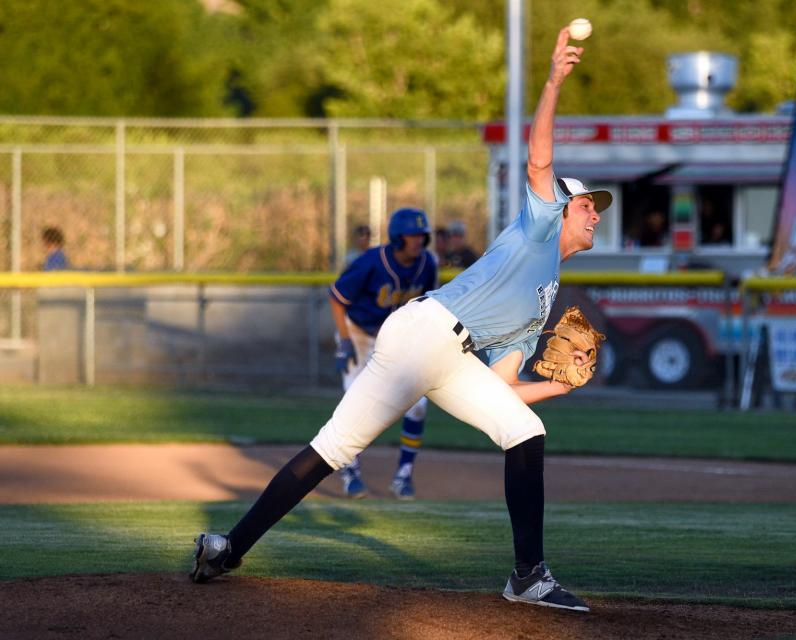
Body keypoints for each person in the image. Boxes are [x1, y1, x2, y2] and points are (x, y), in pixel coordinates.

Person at [190, 25, 607, 612]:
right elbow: (539, 158)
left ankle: (527, 577)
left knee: (524, 431)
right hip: (424, 333)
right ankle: (228, 547)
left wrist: (557, 386)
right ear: (562, 208)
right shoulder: (540, 224)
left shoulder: (545, 296)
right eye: (589, 204)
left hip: (454, 360)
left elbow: (501, 387)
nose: (595, 213)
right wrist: (553, 81)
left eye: (596, 206)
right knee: (334, 448)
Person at [329, 208, 437, 499]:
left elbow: (426, 305)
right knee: (355, 401)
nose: (418, 241)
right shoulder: (372, 262)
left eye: (421, 235)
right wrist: (343, 339)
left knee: (418, 404)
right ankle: (350, 470)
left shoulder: (427, 264)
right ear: (397, 238)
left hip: (397, 337)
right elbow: (337, 298)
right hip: (359, 332)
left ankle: (403, 476)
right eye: (412, 236)